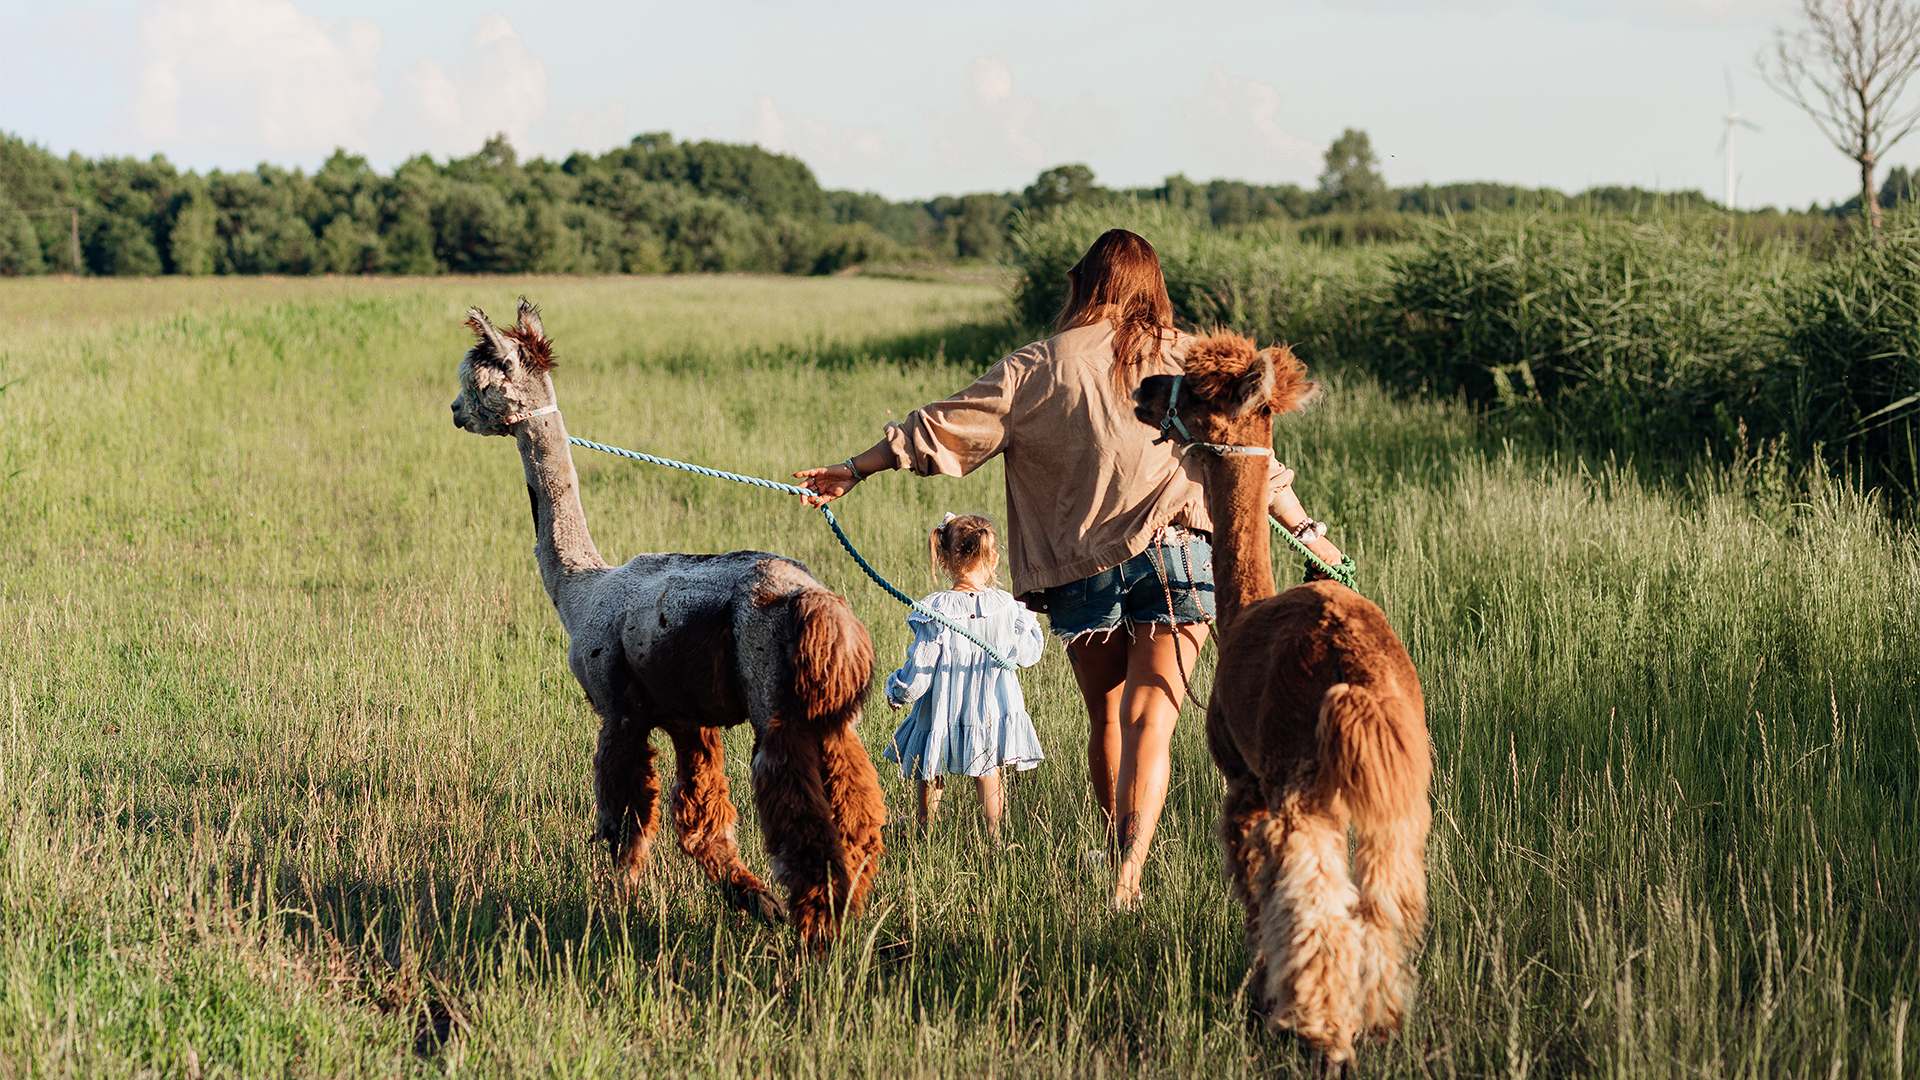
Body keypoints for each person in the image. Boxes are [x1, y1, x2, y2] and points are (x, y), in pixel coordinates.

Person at [797, 228, 1347, 907]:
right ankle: (1129, 876)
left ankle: (1116, 845)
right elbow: (1247, 449)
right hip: (1179, 554)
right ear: (1155, 287)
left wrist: (854, 470)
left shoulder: (1037, 366)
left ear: (1085, 284)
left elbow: (944, 426)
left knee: (1109, 717)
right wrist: (1307, 530)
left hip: (1081, 568)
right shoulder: (1187, 358)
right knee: (1155, 718)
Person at [882, 513, 1047, 843]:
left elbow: (921, 667)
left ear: (944, 558)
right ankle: (995, 837)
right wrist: (1028, 622)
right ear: (994, 557)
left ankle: (924, 830)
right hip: (988, 710)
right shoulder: (1007, 606)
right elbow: (1029, 654)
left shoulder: (936, 608)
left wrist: (898, 690)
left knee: (932, 767)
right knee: (988, 770)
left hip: (944, 707)